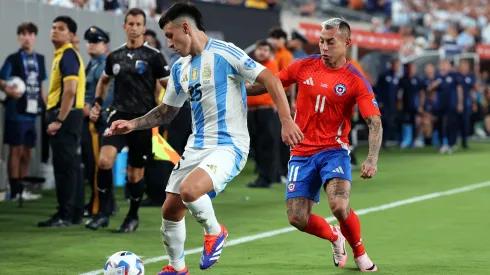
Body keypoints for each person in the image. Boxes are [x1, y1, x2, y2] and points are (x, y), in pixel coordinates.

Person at [103, 3, 302, 274]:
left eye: (171, 36)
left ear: (186, 27)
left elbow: (269, 78)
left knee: (189, 190)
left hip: (229, 145)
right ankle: (177, 268)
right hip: (197, 146)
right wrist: (133, 124)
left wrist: (286, 119)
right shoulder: (179, 68)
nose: (169, 44)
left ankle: (215, 232)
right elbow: (166, 111)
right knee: (170, 210)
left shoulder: (225, 52)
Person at [247, 17, 382, 272]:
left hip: (334, 150)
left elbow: (374, 122)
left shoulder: (355, 79)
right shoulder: (304, 66)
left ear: (347, 43)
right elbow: (271, 84)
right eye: (321, 41)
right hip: (302, 151)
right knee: (297, 218)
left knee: (339, 205)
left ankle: (360, 253)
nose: (324, 47)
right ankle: (334, 237)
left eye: (331, 42)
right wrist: (238, 88)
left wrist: (372, 158)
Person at [86, 8, 171, 232]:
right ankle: (103, 212)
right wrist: (97, 102)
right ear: (124, 27)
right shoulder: (115, 56)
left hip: (143, 121)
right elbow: (104, 81)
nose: (134, 28)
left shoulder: (154, 56)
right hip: (118, 117)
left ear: (144, 28)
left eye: (138, 24)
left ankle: (132, 217)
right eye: (130, 24)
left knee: (135, 173)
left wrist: (168, 110)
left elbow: (168, 86)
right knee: (104, 161)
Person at [39, 16, 86, 227]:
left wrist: (58, 119)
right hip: (70, 116)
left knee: (64, 167)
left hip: (65, 116)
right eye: (53, 27)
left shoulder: (67, 55)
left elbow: (70, 91)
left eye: (61, 28)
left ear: (71, 35)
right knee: (71, 166)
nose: (54, 31)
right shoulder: (64, 55)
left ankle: (64, 215)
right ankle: (73, 212)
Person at [0, 22, 47, 203]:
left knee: (28, 150)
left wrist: (47, 106)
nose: (27, 38)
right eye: (23, 34)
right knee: (16, 149)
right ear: (19, 37)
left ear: (35, 37)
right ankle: (14, 190)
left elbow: (41, 85)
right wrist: (8, 90)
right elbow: (1, 79)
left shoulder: (40, 59)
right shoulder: (13, 59)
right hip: (16, 111)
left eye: (30, 34)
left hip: (33, 111)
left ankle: (22, 188)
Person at [80, 26, 116, 217]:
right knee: (94, 164)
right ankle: (106, 204)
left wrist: (95, 109)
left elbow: (108, 92)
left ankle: (98, 206)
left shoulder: (102, 64)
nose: (91, 45)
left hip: (98, 120)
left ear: (104, 45)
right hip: (95, 118)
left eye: (95, 42)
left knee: (96, 165)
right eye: (89, 41)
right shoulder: (94, 63)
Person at [246, 39, 281, 188]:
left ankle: (267, 177)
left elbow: (264, 85)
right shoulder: (251, 66)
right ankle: (266, 176)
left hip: (266, 111)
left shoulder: (271, 66)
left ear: (270, 53)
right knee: (257, 145)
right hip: (252, 111)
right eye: (260, 49)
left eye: (265, 50)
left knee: (267, 145)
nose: (261, 52)